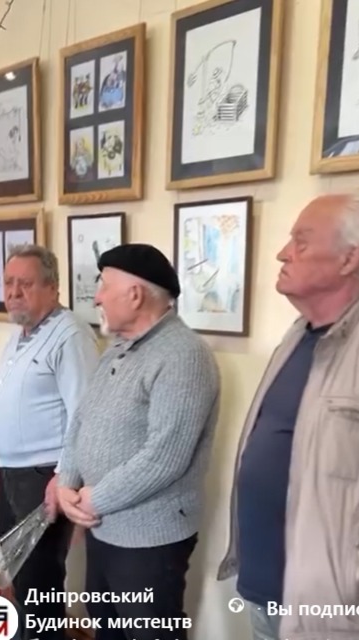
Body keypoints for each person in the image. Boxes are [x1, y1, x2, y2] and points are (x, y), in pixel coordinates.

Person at [218, 192, 359, 640]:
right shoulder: (297, 335)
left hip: (337, 614)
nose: (283, 253)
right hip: (265, 590)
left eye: (301, 242)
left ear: (349, 258)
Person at [56, 243, 221, 640]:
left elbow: (165, 457)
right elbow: (82, 419)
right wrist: (65, 480)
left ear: (134, 295)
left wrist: (94, 499)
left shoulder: (184, 355)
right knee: (106, 625)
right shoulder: (117, 348)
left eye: (104, 285)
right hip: (103, 527)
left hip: (149, 539)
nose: (96, 297)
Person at [0, 244, 100, 640]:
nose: (14, 292)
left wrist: (64, 478)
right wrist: (0, 459)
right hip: (14, 475)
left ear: (52, 288)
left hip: (45, 478)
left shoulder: (70, 336)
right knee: (22, 576)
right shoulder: (21, 334)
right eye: (8, 283)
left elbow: (85, 415)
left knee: (40, 583)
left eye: (26, 284)